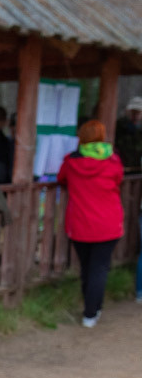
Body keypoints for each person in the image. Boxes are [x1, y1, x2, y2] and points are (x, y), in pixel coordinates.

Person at [56, 118, 125, 328]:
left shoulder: (71, 162)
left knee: (87, 267)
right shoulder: (112, 160)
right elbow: (119, 179)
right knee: (99, 268)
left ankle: (91, 308)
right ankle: (92, 310)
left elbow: (61, 179)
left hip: (80, 224)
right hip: (109, 223)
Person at [114, 95, 142, 172]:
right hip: (121, 166)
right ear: (129, 111)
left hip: (138, 168)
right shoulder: (120, 125)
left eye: (138, 112)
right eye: (133, 111)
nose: (135, 114)